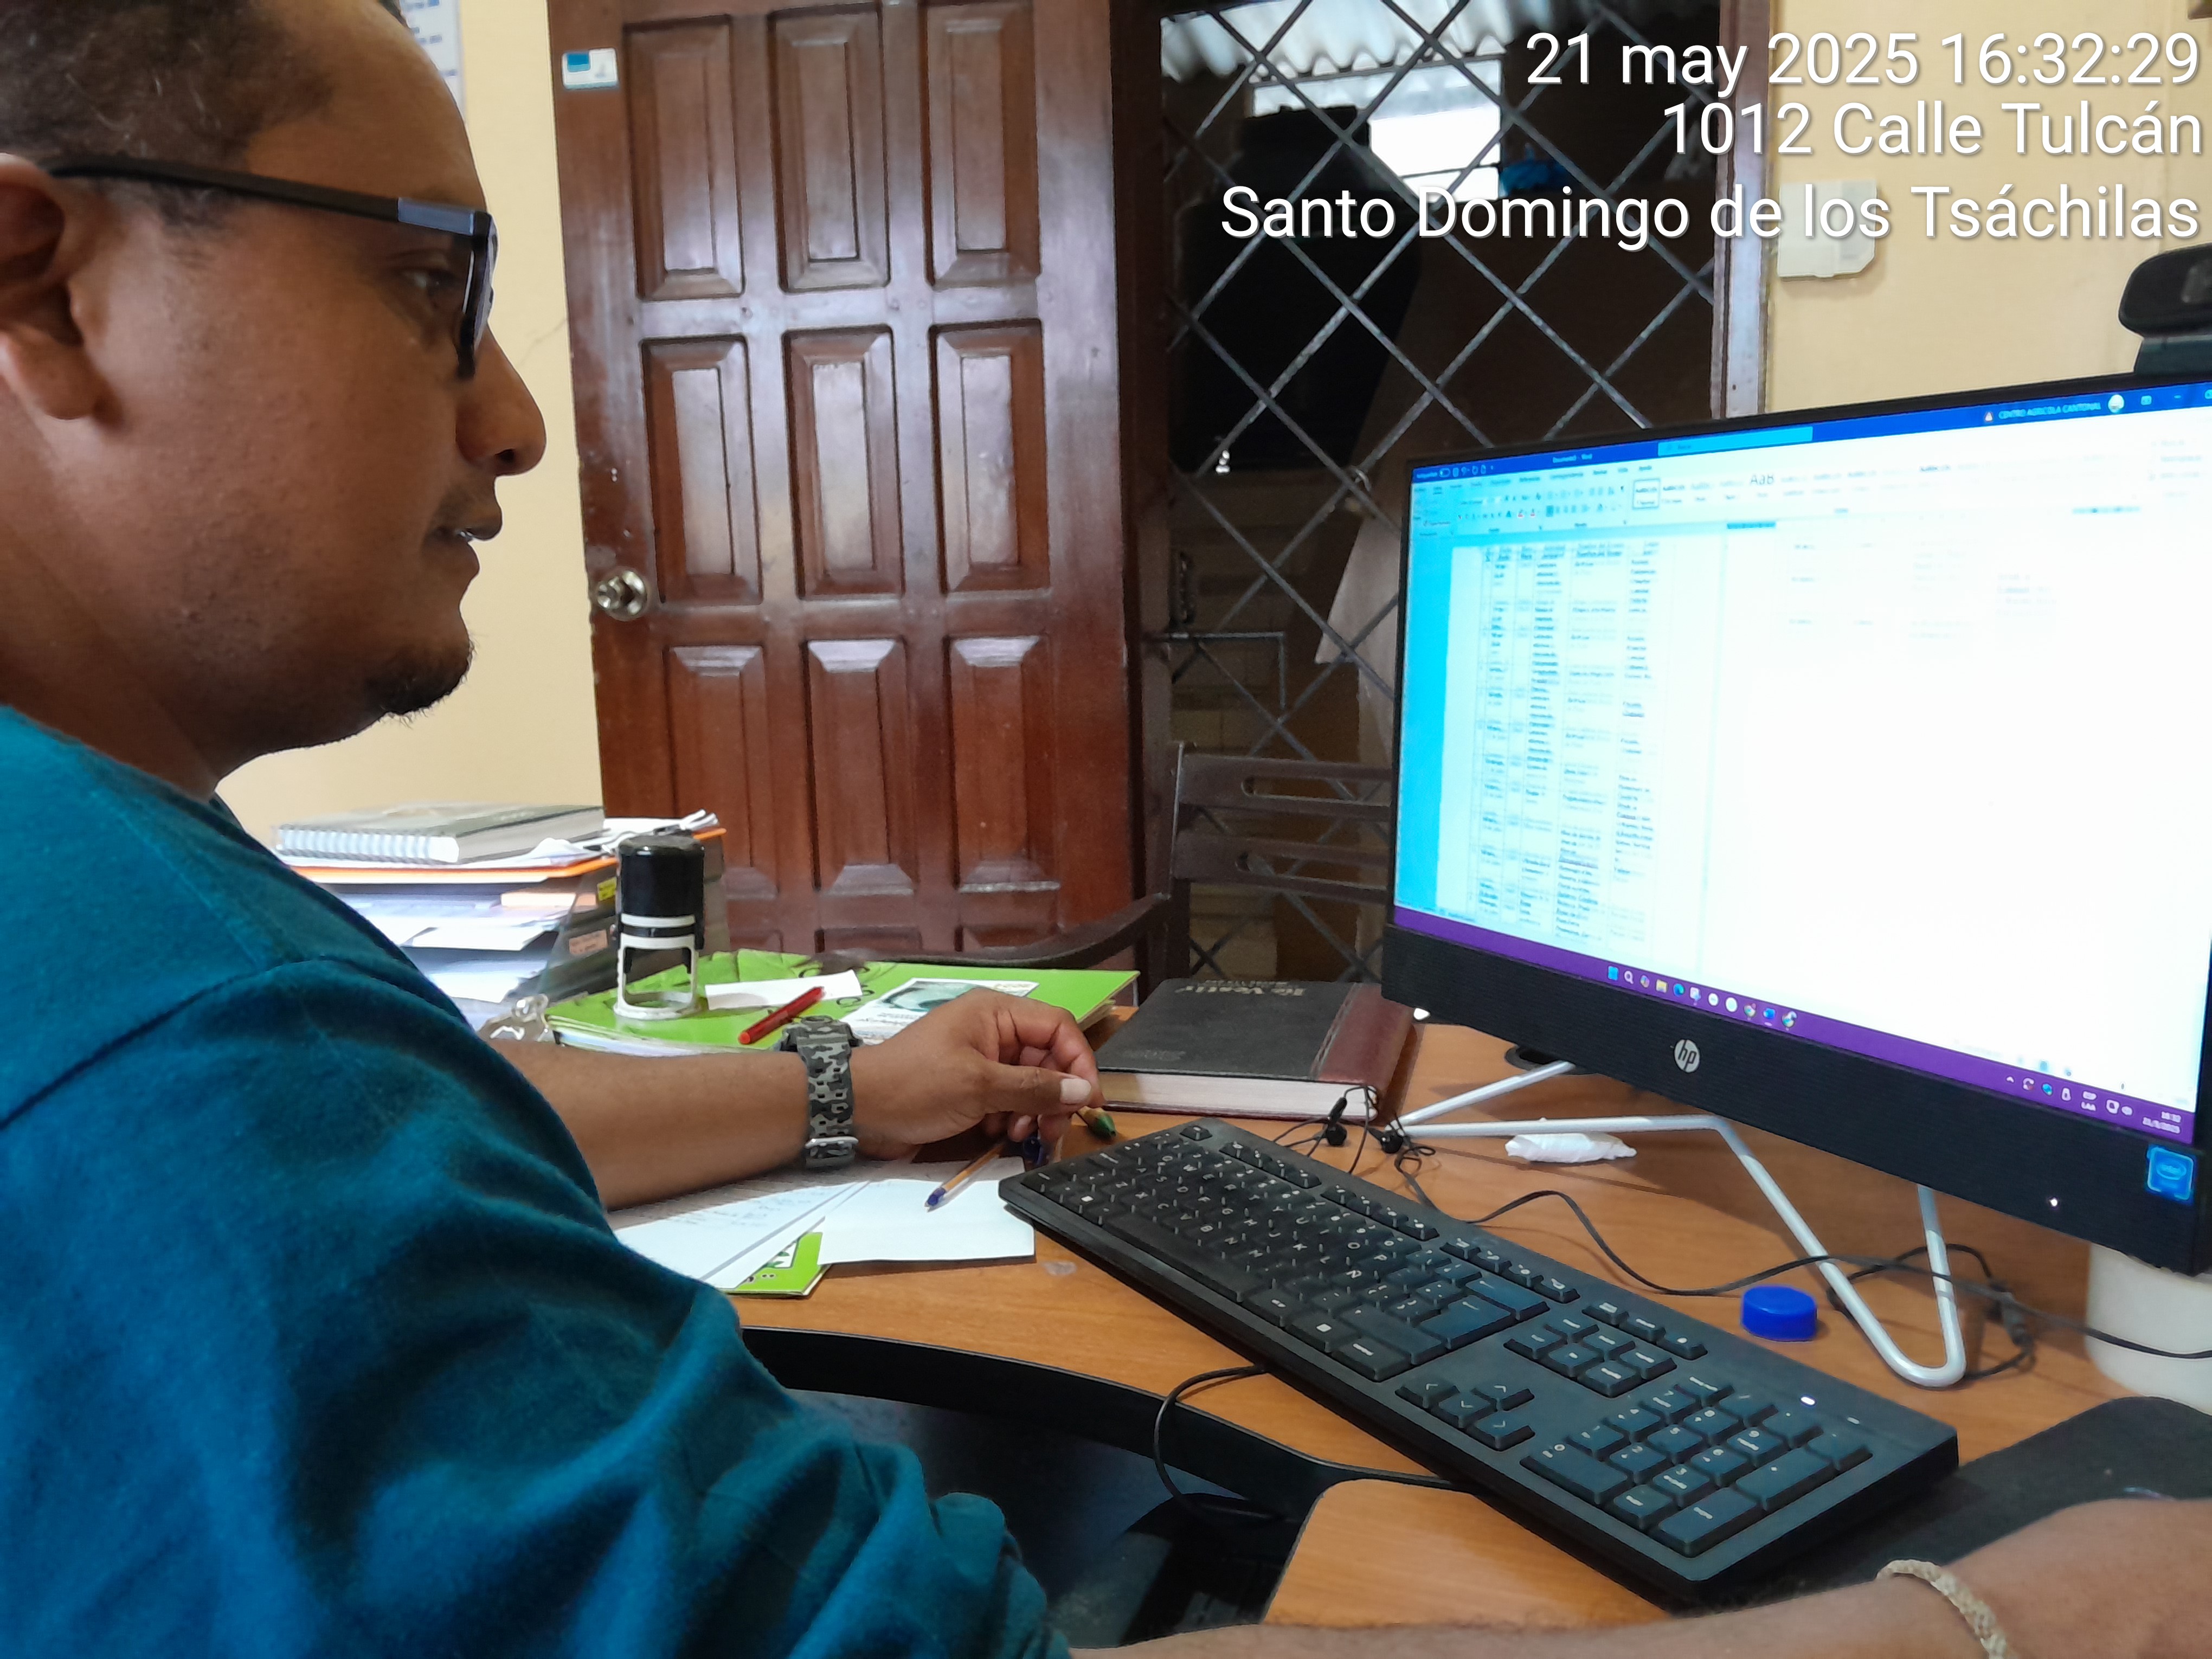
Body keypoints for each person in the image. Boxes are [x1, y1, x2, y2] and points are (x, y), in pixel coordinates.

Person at [0, 3, 2201, 1655]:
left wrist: (850, 1088)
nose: (514, 414)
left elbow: (432, 1130)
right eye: (432, 284)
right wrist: (1998, 1618)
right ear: (38, 280)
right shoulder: (189, 1043)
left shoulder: (127, 931)